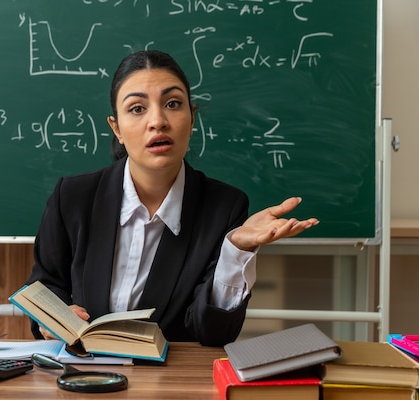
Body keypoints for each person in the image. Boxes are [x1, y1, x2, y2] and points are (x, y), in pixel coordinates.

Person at [25, 50, 319, 347]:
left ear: (192, 119)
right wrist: (51, 319)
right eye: (137, 109)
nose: (158, 121)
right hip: (82, 374)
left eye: (173, 104)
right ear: (117, 129)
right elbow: (46, 286)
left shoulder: (224, 207)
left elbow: (213, 333)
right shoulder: (73, 197)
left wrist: (236, 251)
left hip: (169, 382)